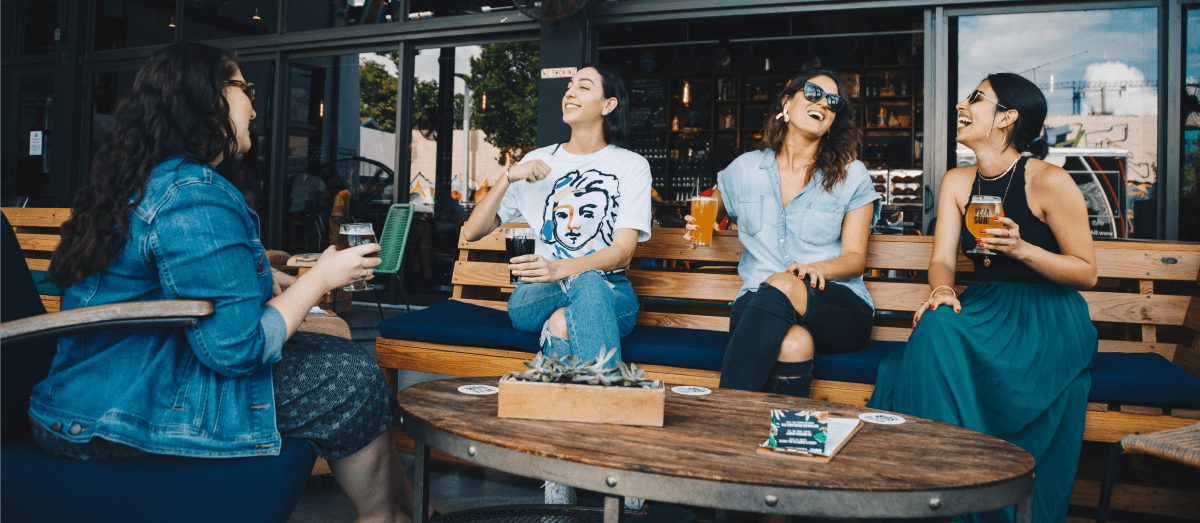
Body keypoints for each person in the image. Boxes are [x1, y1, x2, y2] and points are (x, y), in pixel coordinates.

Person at [35, 43, 423, 523]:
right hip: (114, 411)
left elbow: (175, 284)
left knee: (339, 356)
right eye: (245, 89)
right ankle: (387, 516)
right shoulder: (193, 196)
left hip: (103, 387)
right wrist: (322, 278)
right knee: (348, 377)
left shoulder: (152, 180)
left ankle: (403, 510)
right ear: (208, 96)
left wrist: (267, 277)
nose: (255, 109)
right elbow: (238, 348)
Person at [868, 73, 1098, 523]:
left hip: (1045, 316)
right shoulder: (958, 182)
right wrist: (941, 291)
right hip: (985, 305)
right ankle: (934, 498)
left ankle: (971, 498)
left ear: (1006, 118)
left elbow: (1086, 272)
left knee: (932, 342)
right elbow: (942, 260)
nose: (961, 105)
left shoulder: (1049, 180)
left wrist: (1023, 249)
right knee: (936, 323)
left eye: (975, 98)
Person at [461, 63, 652, 507]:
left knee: (568, 319)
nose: (570, 92)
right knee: (579, 284)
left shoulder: (629, 166)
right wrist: (509, 175)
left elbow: (623, 252)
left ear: (608, 104)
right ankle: (616, 451)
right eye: (568, 86)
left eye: (583, 86)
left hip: (611, 293)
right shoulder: (538, 162)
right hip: (533, 298)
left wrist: (562, 267)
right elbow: (471, 231)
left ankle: (558, 471)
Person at [686, 64, 880, 399]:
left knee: (784, 282)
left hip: (834, 303)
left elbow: (855, 259)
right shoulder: (745, 169)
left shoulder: (852, 175)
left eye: (833, 102)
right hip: (757, 302)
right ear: (787, 104)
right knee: (793, 344)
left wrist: (816, 269)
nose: (823, 103)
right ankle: (778, 430)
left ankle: (723, 410)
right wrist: (698, 224)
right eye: (813, 93)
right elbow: (709, 208)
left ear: (833, 120)